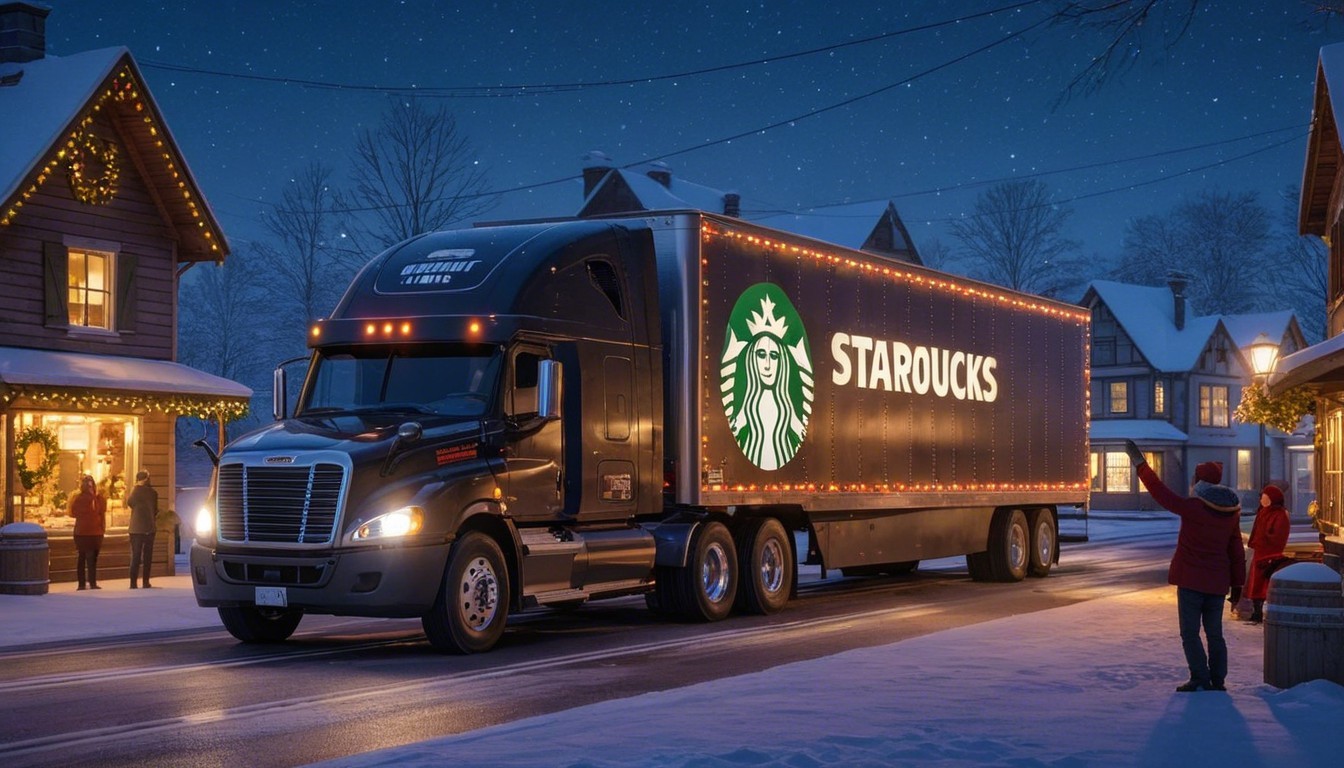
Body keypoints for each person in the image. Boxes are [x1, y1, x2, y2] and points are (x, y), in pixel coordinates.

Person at [1124, 440, 1246, 692]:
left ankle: (1200, 677)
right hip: (1217, 584)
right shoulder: (1231, 514)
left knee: (1190, 633)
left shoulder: (1193, 508)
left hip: (1191, 582)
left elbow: (1160, 492)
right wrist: (1238, 586)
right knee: (1215, 634)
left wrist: (1140, 465)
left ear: (1199, 483)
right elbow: (1236, 553)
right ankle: (1218, 679)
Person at [1245, 484, 1290, 624]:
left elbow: (1278, 535)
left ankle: (1260, 610)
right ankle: (1256, 610)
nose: (1262, 499)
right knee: (1255, 584)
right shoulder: (1263, 512)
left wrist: (1263, 540)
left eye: (1265, 496)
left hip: (1269, 555)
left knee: (1263, 584)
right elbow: (1257, 529)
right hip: (1260, 552)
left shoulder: (1280, 514)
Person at [66, 474, 107, 590]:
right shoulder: (82, 499)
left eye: (91, 485)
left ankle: (87, 583)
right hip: (85, 532)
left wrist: (102, 528)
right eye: (88, 485)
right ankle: (85, 583)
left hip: (92, 532)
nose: (90, 487)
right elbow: (74, 513)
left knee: (90, 558)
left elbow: (101, 514)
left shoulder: (96, 499)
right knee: (85, 558)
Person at [125, 469, 159, 589]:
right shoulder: (153, 493)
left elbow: (129, 503)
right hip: (149, 527)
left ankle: (133, 583)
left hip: (136, 528)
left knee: (136, 556)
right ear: (147, 479)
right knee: (147, 556)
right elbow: (156, 510)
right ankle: (146, 581)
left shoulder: (135, 491)